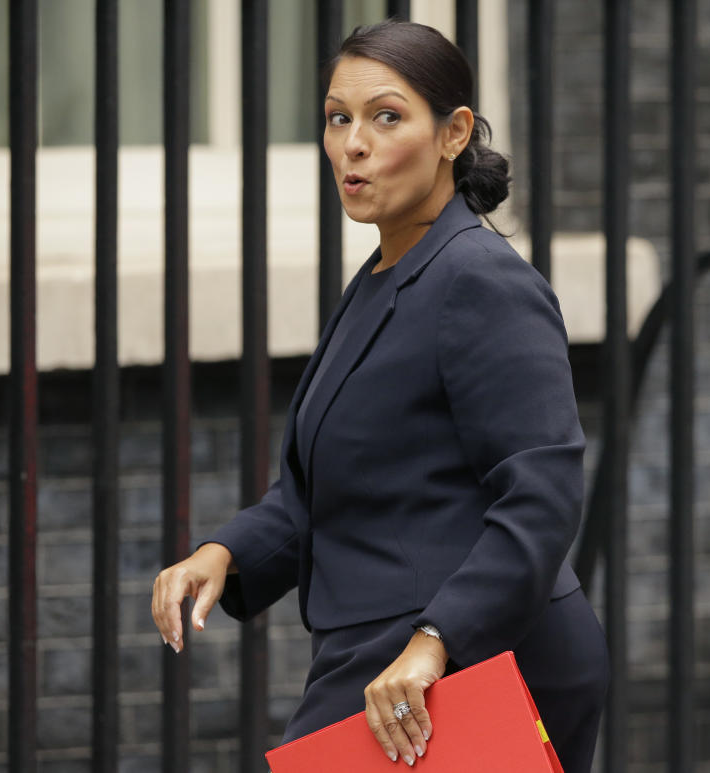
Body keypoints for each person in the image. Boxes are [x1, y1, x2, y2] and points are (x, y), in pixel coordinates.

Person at [152, 19, 609, 772]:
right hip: (380, 660)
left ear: (453, 133)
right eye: (339, 118)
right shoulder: (383, 278)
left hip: (462, 665)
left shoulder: (480, 282)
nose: (353, 143)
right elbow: (327, 487)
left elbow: (543, 493)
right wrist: (225, 552)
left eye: (386, 116)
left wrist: (436, 643)